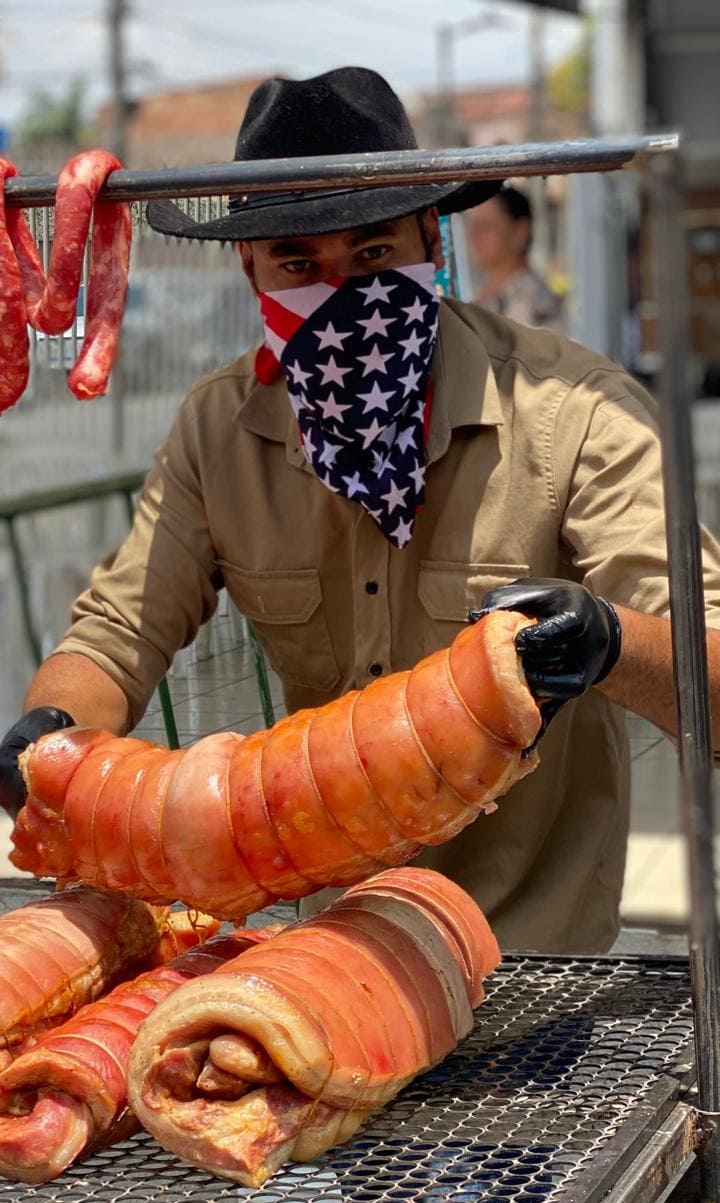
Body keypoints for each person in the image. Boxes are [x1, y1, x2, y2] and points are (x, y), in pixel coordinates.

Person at [1, 66, 720, 954]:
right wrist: (51, 736)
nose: (342, 298)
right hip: (324, 954)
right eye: (300, 266)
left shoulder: (576, 410)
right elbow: (114, 634)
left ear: (433, 238)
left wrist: (608, 640)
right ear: (249, 267)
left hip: (532, 963)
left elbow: (713, 683)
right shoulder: (219, 432)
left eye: (374, 255)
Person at [467, 185, 564, 330]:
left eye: (485, 225)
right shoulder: (479, 291)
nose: (474, 235)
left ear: (520, 231)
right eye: (472, 225)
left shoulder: (536, 302)